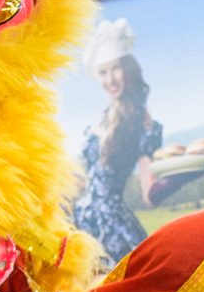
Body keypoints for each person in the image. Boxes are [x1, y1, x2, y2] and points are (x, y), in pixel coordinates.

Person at [67, 20, 164, 267]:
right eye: (103, 72)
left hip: (111, 225)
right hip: (80, 221)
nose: (110, 79)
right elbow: (87, 178)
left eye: (116, 69)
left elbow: (149, 193)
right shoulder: (100, 118)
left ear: (128, 70)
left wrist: (183, 176)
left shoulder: (140, 119)